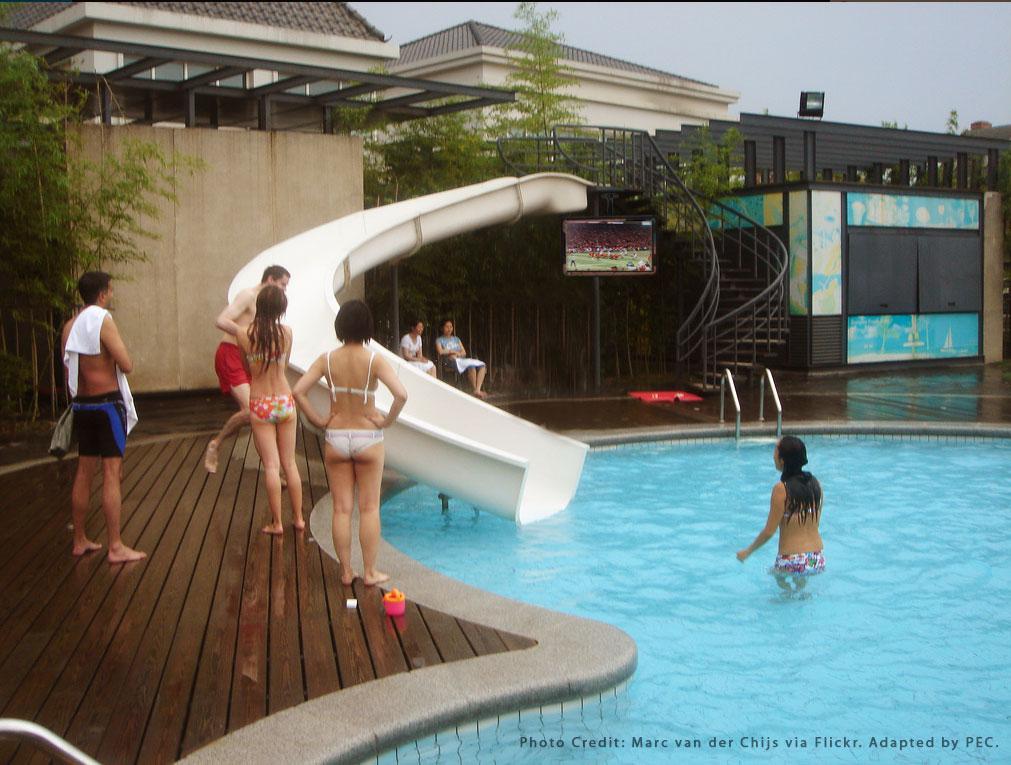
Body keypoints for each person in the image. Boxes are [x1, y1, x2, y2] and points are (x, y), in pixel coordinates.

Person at [292, 300, 408, 587]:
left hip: (337, 435)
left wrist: (318, 420)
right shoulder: (374, 360)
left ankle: (346, 572)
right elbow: (401, 395)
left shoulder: (327, 359)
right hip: (368, 436)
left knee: (341, 508)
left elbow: (298, 391)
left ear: (340, 325)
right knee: (369, 508)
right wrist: (386, 421)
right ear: (367, 326)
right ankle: (370, 572)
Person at [61, 271, 146, 564]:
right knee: (111, 473)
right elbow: (126, 364)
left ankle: (79, 539)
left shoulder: (69, 327)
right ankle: (115, 546)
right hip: (108, 404)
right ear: (101, 295)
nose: (111, 295)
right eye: (110, 290)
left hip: (82, 405)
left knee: (84, 471)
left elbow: (68, 372)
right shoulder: (103, 321)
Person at [204, 265, 290, 474]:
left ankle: (273, 470)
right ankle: (216, 444)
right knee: (253, 411)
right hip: (231, 353)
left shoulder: (265, 304)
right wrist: (246, 334)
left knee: (257, 413)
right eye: (282, 284)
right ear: (270, 279)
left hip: (251, 357)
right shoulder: (248, 296)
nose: (284, 290)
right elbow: (221, 320)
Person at [234, 285, 304, 535]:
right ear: (281, 309)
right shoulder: (287, 333)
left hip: (260, 401)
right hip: (285, 400)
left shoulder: (244, 333)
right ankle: (298, 519)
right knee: (290, 464)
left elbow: (245, 365)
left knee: (272, 466)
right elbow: (283, 366)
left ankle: (277, 523)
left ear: (260, 306)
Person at [736, 436, 825, 576]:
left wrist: (748, 552)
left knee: (782, 595)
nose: (773, 455)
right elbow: (816, 522)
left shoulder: (781, 489)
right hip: (816, 558)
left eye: (775, 451)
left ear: (782, 460)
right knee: (803, 594)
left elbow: (769, 531)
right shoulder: (816, 483)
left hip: (791, 560)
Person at [435, 319, 488, 398]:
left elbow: (464, 352)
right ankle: (475, 390)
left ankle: (477, 389)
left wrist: (457, 354)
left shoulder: (456, 339)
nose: (449, 329)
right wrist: (451, 351)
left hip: (460, 359)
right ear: (442, 328)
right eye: (447, 327)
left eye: (451, 327)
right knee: (470, 366)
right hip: (449, 361)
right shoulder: (439, 340)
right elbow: (440, 352)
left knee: (482, 365)